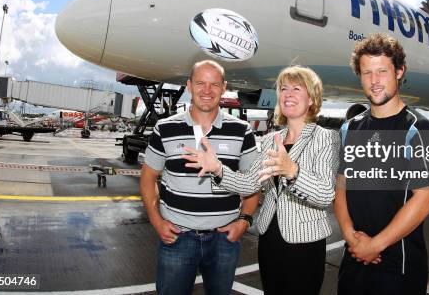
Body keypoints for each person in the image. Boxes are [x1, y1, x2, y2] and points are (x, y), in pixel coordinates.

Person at [183, 65, 340, 295]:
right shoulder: (269, 140)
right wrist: (218, 169)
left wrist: (292, 171)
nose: (288, 94)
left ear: (311, 98)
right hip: (269, 240)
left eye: (297, 88)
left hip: (304, 244)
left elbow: (326, 194)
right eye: (283, 88)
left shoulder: (326, 138)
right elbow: (249, 184)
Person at [139, 60, 260, 295]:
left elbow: (253, 182)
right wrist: (156, 221)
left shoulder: (241, 130)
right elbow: (147, 177)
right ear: (189, 86)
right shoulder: (165, 128)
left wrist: (244, 221)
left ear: (224, 87)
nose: (207, 91)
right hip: (177, 237)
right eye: (200, 83)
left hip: (224, 240)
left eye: (214, 84)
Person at [334, 33, 429, 295]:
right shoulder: (349, 128)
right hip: (355, 258)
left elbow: (426, 197)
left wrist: (376, 245)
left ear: (399, 72)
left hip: (399, 266)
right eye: (367, 72)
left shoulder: (420, 130)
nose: (375, 81)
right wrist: (351, 237)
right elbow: (341, 187)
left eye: (382, 71)